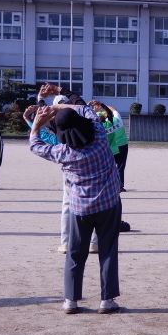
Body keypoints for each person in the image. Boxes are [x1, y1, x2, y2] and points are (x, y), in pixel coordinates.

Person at [29, 103, 122, 315]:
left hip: (79, 207)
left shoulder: (63, 152)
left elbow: (35, 146)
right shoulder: (99, 136)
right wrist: (59, 106)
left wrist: (37, 124)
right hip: (108, 203)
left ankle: (70, 300)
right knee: (108, 251)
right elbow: (86, 109)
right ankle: (107, 300)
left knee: (74, 253)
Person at [37, 83, 99, 254]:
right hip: (94, 162)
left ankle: (66, 243)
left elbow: (37, 140)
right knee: (96, 204)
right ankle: (93, 242)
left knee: (67, 205)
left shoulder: (56, 125)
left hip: (70, 163)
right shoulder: (93, 126)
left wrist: (41, 100)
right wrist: (60, 90)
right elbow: (79, 103)